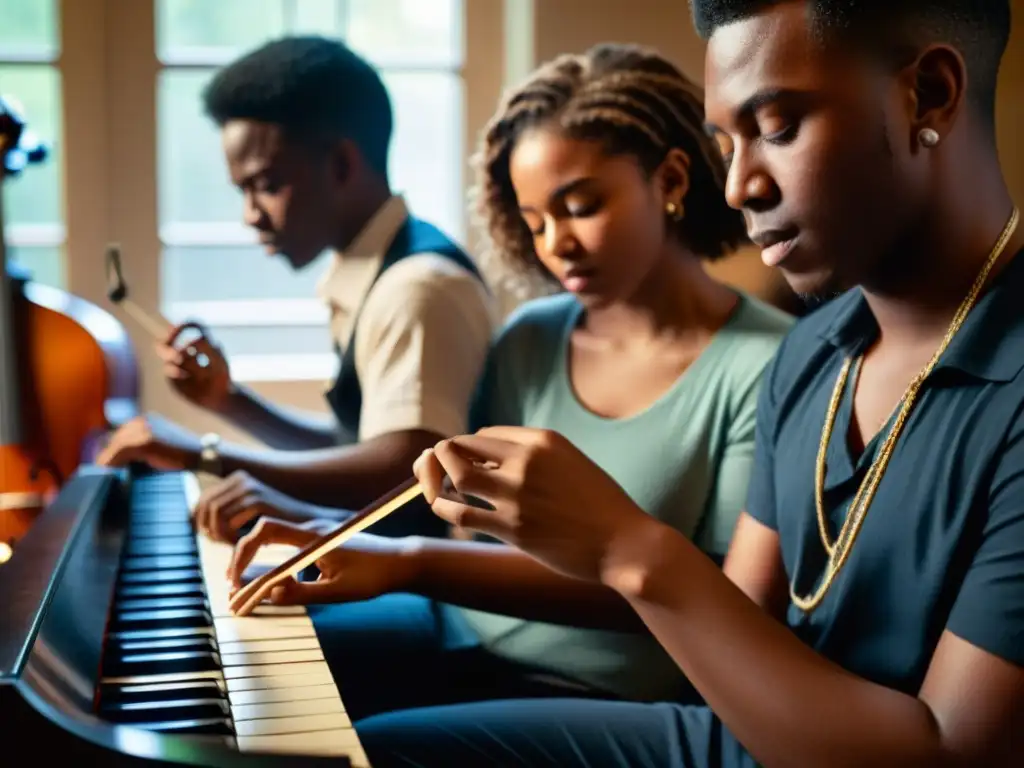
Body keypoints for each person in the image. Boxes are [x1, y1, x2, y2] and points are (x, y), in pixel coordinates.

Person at [271, 1, 1020, 765]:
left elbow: (953, 755)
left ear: (928, 95)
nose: (737, 187)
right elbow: (741, 621)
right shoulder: (813, 353)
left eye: (779, 127)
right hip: (730, 736)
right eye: (728, 143)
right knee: (362, 751)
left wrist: (622, 543)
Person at [227, 42, 794, 725]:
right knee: (244, 666)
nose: (555, 243)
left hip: (604, 694)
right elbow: (467, 529)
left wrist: (408, 561)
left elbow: (714, 602)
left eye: (580, 206)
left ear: (671, 182)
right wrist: (349, 537)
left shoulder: (766, 363)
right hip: (461, 629)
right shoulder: (531, 337)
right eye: (534, 222)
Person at [96, 36, 494, 539]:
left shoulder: (417, 288)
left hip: (441, 596)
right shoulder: (379, 269)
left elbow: (404, 469)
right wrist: (229, 402)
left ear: (342, 165)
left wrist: (203, 454)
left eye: (266, 185)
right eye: (242, 191)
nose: (250, 216)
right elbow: (360, 447)